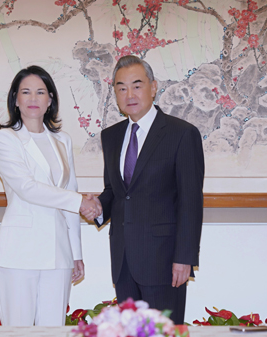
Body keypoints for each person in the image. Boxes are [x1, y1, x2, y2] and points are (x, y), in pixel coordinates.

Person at [82, 55, 204, 324]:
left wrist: (185, 258)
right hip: (124, 260)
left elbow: (191, 201)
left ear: (154, 86)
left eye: (137, 85)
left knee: (163, 332)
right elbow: (115, 190)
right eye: (121, 87)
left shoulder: (182, 134)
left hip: (165, 263)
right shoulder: (111, 136)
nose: (129, 94)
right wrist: (99, 206)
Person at [0, 65, 101, 326]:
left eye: (40, 92)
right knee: (18, 330)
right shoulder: (5, 139)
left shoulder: (62, 140)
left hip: (58, 253)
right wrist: (80, 201)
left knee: (53, 329)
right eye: (25, 92)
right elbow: (27, 188)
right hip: (19, 252)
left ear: (50, 99)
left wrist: (75, 252)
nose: (32, 98)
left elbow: (69, 192)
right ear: (15, 99)